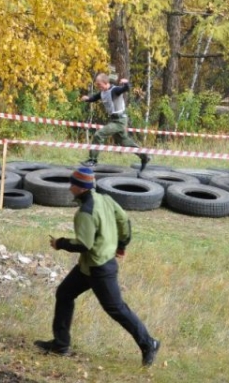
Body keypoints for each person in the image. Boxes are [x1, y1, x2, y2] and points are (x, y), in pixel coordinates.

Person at [34, 167, 160, 366]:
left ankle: (149, 343)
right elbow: (124, 221)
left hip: (99, 269)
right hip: (89, 265)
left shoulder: (85, 212)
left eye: (72, 184)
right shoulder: (105, 199)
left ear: (80, 188)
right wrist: (122, 245)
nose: (69, 188)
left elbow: (84, 244)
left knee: (116, 309)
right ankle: (60, 344)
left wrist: (60, 243)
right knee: (64, 293)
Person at [80, 73, 150, 171]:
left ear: (105, 83)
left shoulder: (115, 90)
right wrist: (87, 99)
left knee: (99, 134)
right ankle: (144, 157)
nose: (98, 86)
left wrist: (126, 83)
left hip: (119, 121)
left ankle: (93, 160)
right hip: (114, 119)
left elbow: (126, 89)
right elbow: (94, 98)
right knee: (124, 142)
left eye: (99, 84)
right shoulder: (102, 92)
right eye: (97, 85)